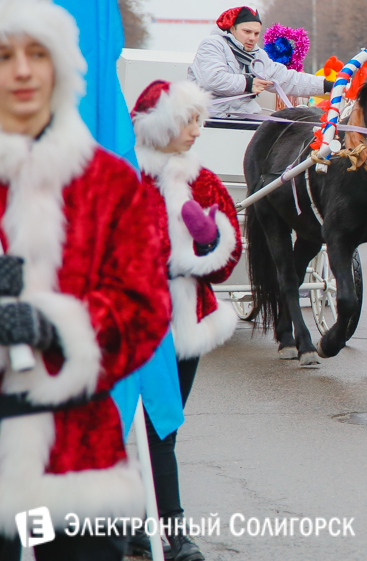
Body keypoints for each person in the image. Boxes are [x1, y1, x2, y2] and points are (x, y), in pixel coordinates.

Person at [0, 0, 172, 561]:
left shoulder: (109, 183)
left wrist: (59, 327)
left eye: (37, 54)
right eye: (4, 54)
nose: (22, 70)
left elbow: (146, 305)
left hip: (80, 456)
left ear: (60, 69)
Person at [128, 80, 243, 561]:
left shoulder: (205, 182)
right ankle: (166, 533)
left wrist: (209, 242)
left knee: (163, 429)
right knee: (135, 429)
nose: (198, 130)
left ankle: (155, 531)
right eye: (188, 121)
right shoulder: (125, 180)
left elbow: (228, 259)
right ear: (162, 126)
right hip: (134, 326)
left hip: (187, 326)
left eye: (200, 120)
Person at [187, 6, 332, 117]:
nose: (252, 38)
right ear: (232, 29)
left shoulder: (258, 55)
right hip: (212, 117)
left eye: (256, 33)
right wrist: (248, 83)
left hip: (245, 117)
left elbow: (287, 79)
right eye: (247, 32)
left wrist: (329, 86)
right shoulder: (212, 44)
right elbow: (212, 79)